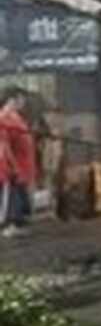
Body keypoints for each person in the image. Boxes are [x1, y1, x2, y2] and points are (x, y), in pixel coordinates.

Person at [0, 89, 36, 237]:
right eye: (21, 99)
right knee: (11, 195)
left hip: (22, 165)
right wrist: (13, 166)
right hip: (11, 167)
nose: (24, 102)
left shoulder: (17, 118)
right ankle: (8, 225)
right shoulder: (4, 119)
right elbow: (5, 146)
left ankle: (17, 223)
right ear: (11, 100)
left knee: (19, 195)